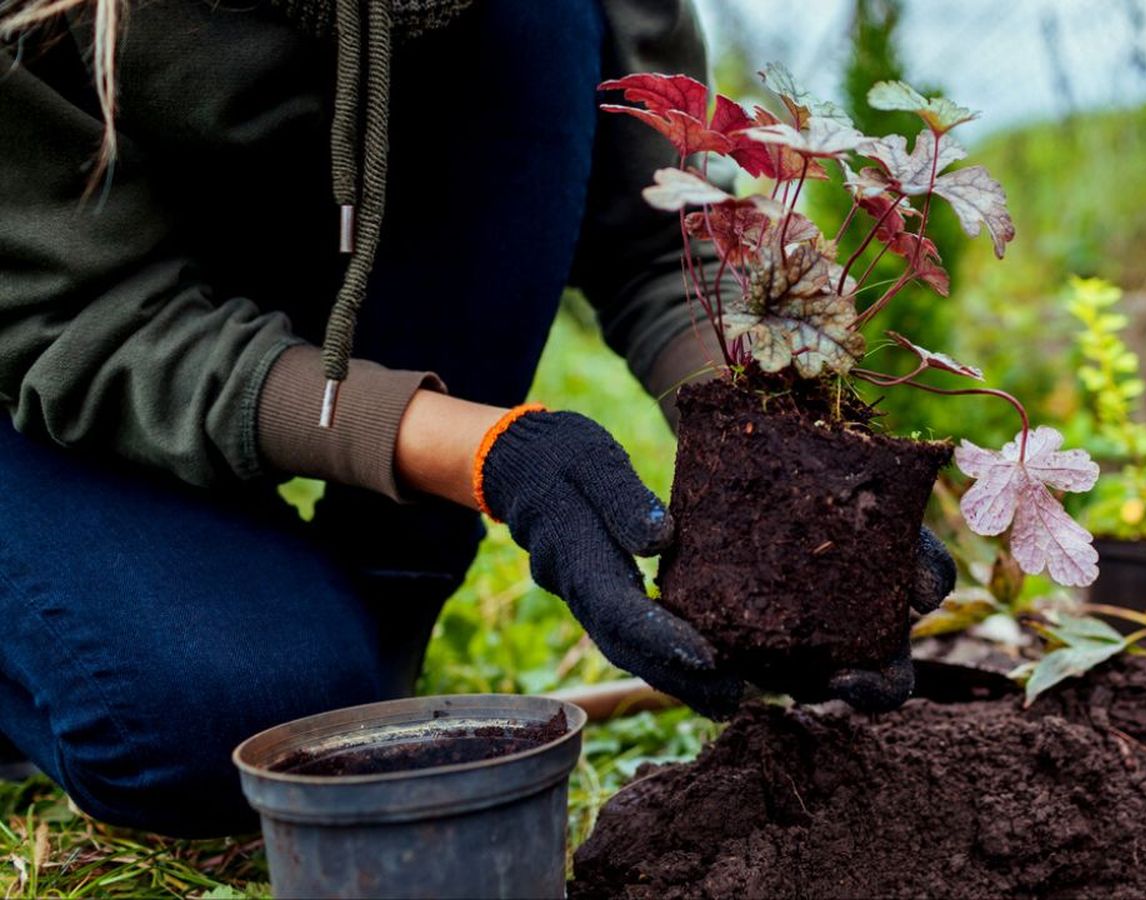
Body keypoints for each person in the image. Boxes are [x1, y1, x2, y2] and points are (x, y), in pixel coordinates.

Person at [0, 0, 954, 838]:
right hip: (41, 366)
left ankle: (372, 625)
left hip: (275, 345)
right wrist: (495, 456)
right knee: (218, 727)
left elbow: (660, 246)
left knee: (327, 728)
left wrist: (804, 477)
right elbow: (74, 317)